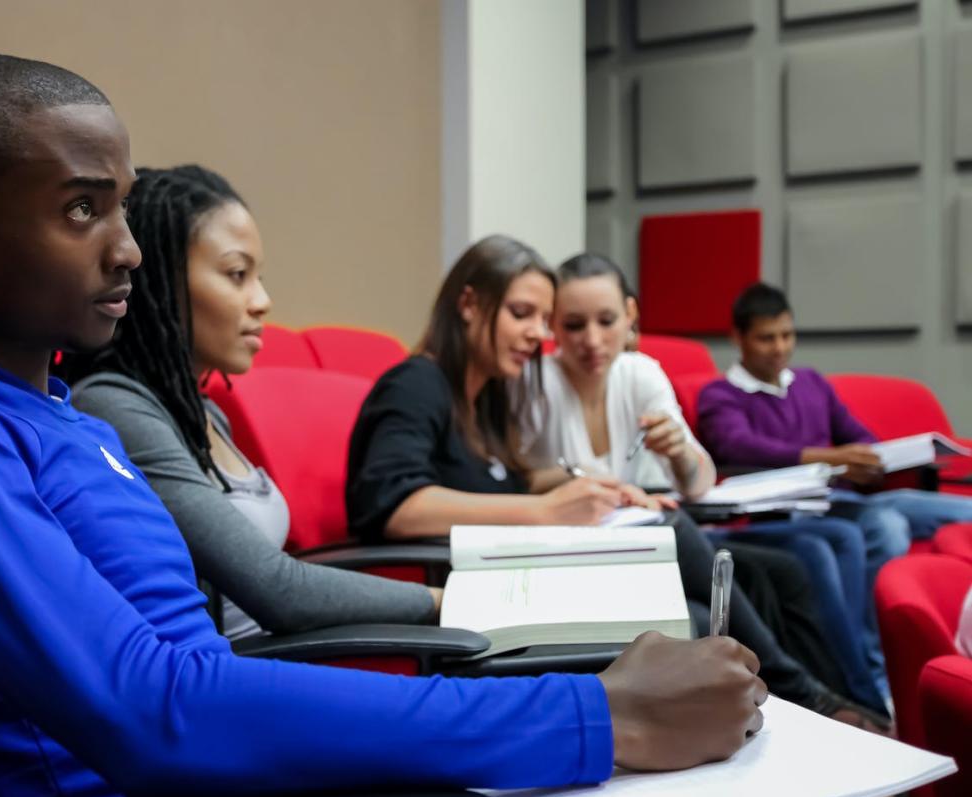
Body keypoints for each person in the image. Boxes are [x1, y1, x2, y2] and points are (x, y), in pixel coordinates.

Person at [0, 54, 764, 797]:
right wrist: (593, 714)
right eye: (79, 209)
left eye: (120, 205)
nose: (127, 248)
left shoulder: (62, 414)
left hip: (211, 773)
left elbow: (197, 676)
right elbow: (151, 711)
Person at [344, 237, 863, 721]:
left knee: (702, 604)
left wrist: (592, 488)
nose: (537, 334)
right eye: (523, 314)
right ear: (469, 305)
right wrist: (546, 511)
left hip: (506, 574)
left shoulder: (478, 402)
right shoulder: (418, 382)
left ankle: (793, 705)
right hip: (482, 594)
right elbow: (393, 505)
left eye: (543, 319)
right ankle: (798, 695)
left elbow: (504, 489)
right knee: (679, 545)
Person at [62, 164, 437, 640]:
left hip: (280, 662)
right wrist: (450, 602)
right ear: (159, 278)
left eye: (258, 277)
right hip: (227, 682)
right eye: (237, 275)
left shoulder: (204, 411)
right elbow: (281, 592)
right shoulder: (115, 409)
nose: (262, 301)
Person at [518, 252, 887, 717]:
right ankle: (803, 692)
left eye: (606, 321)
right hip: (583, 542)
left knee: (784, 572)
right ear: (553, 324)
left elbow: (699, 481)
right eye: (573, 326)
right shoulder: (536, 383)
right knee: (683, 538)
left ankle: (828, 697)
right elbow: (520, 476)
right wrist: (600, 486)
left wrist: (678, 452)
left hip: (642, 539)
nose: (592, 340)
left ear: (630, 316)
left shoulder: (640, 372)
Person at [698, 283, 972, 694]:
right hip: (795, 505)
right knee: (887, 525)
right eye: (766, 337)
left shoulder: (810, 383)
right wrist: (827, 458)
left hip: (850, 493)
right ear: (738, 338)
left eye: (787, 335)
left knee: (961, 512)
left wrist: (880, 458)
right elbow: (738, 445)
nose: (779, 348)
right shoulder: (719, 394)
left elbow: (857, 435)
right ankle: (877, 663)